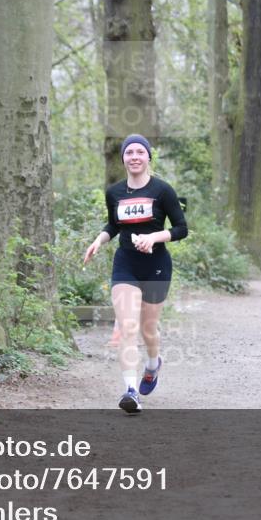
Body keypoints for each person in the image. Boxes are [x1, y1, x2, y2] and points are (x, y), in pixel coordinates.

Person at [83, 134, 188, 414]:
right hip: (125, 264)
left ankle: (153, 364)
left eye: (140, 152)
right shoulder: (114, 192)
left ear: (148, 157)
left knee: (147, 329)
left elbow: (181, 228)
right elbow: (113, 225)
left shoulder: (163, 191)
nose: (134, 157)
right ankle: (130, 391)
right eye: (129, 153)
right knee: (128, 326)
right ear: (123, 159)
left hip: (156, 266)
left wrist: (154, 238)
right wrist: (99, 240)